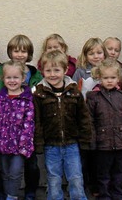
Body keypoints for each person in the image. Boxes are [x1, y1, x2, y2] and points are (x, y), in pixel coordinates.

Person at [32, 50, 92, 200]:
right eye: (48, 70)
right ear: (42, 71)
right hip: (51, 145)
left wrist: (85, 139)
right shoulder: (39, 94)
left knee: (76, 177)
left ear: (65, 70)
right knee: (53, 178)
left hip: (72, 144)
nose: (52, 74)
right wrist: (38, 143)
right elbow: (36, 121)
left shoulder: (74, 92)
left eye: (57, 70)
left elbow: (83, 117)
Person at [86, 59, 122, 200]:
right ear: (99, 78)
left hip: (121, 141)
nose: (109, 81)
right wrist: (91, 141)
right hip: (102, 142)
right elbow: (90, 121)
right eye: (105, 78)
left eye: (113, 78)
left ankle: (118, 193)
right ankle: (104, 195)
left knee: (119, 171)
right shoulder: (93, 97)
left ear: (118, 78)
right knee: (103, 172)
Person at [0, 61, 35, 200]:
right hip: (1, 144)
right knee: (5, 172)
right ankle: (8, 194)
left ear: (22, 78)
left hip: (19, 146)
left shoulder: (27, 99)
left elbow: (29, 124)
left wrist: (24, 145)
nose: (12, 81)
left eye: (15, 77)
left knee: (15, 172)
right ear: (3, 79)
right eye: (8, 78)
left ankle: (12, 196)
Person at [0, 34, 42, 99]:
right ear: (10, 53)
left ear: (29, 53)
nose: (19, 55)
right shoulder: (0, 71)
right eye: (16, 51)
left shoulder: (36, 75)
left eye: (23, 51)